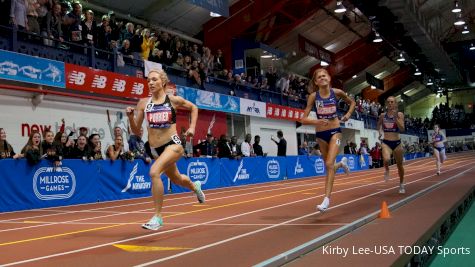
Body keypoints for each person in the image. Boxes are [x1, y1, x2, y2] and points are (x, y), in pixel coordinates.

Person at [126, 69, 205, 231]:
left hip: (173, 145)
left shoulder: (173, 100)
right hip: (155, 149)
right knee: (177, 179)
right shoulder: (143, 103)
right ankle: (195, 187)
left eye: (154, 80)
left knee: (154, 172)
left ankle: (158, 217)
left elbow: (194, 108)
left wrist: (192, 127)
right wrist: (130, 117)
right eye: (148, 80)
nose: (151, 83)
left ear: (162, 82)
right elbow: (136, 131)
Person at [301, 68, 355, 212]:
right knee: (329, 165)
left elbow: (352, 103)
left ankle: (326, 200)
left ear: (329, 78)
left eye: (324, 75)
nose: (322, 78)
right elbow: (303, 119)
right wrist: (316, 122)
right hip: (320, 134)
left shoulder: (336, 93)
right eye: (319, 77)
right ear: (316, 82)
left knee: (329, 163)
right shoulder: (313, 96)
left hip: (335, 132)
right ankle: (342, 164)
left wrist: (348, 114)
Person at [377, 96, 406, 193]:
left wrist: (395, 118)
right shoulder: (382, 115)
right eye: (388, 102)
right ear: (386, 104)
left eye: (392, 102)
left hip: (397, 143)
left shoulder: (400, 114)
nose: (390, 104)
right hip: (386, 142)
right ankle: (387, 169)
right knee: (386, 159)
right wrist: (380, 132)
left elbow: (402, 128)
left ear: (395, 104)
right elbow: (379, 125)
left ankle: (401, 184)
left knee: (399, 165)